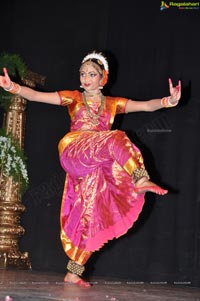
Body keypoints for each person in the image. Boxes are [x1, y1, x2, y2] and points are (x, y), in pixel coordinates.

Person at [0, 51, 181, 287]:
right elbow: (36, 95)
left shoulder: (113, 104)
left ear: (103, 78)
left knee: (90, 214)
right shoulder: (73, 98)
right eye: (82, 73)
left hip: (96, 162)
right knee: (117, 137)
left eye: (91, 74)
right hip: (74, 149)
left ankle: (74, 272)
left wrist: (168, 101)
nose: (85, 78)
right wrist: (13, 87)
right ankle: (139, 179)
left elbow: (146, 106)